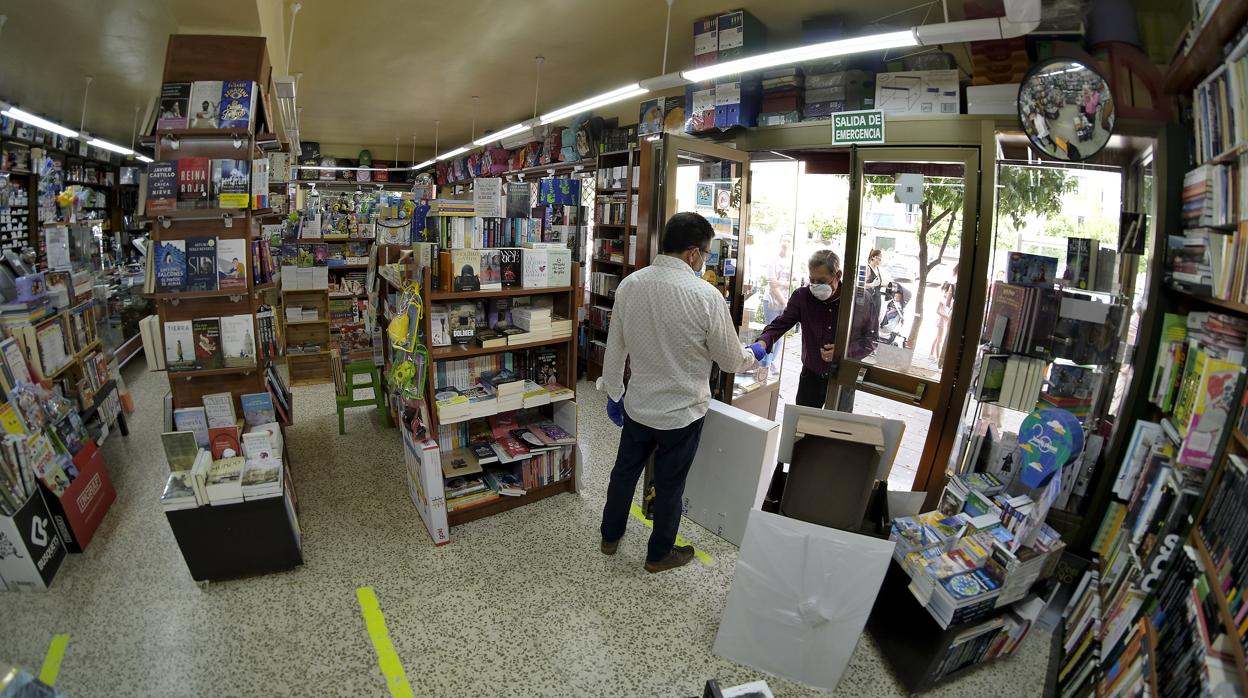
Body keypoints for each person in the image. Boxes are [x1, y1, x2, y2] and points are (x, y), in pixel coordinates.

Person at [599, 212, 758, 573]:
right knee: (670, 486)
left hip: (638, 406)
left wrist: (614, 391)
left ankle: (610, 537)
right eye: (706, 253)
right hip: (682, 414)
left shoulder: (630, 285)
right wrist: (753, 355)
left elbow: (615, 348)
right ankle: (659, 555)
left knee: (624, 473)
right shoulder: (706, 296)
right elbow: (731, 361)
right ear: (692, 253)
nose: (705, 261)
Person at [749, 249, 844, 409]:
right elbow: (780, 324)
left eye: (821, 281)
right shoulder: (803, 296)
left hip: (841, 381)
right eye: (812, 280)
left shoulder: (855, 300)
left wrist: (844, 351)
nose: (815, 286)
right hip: (811, 378)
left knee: (837, 431)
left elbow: (868, 340)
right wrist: (763, 343)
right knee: (802, 428)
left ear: (837, 275)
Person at [761, 236, 793, 370]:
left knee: (781, 335)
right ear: (780, 243)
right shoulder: (773, 259)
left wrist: (780, 282)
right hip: (772, 302)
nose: (786, 243)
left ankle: (772, 362)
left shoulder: (791, 261)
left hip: (784, 302)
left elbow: (793, 281)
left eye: (789, 241)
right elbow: (772, 284)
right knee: (771, 332)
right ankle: (765, 363)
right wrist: (785, 302)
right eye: (784, 240)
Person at [931, 283, 954, 366]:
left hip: (943, 320)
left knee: (937, 338)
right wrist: (945, 317)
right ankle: (937, 357)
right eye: (950, 291)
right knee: (939, 340)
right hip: (941, 320)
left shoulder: (947, 299)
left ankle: (931, 354)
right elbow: (937, 311)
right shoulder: (943, 299)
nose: (950, 293)